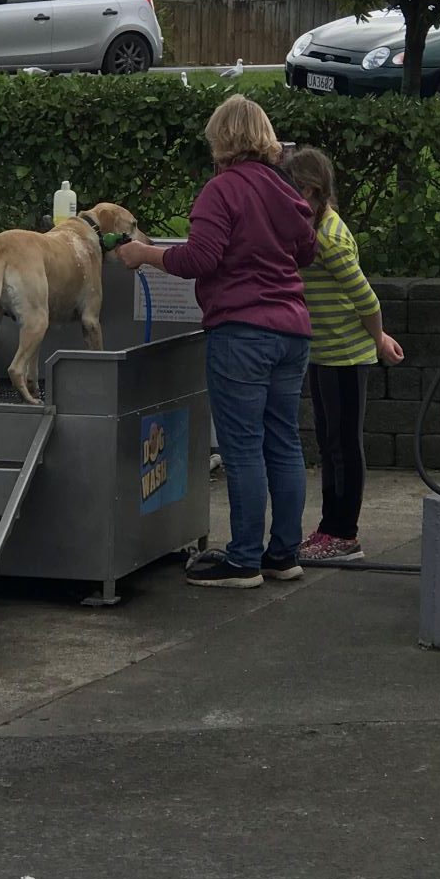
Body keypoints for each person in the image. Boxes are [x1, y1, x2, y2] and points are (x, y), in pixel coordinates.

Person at [116, 96, 316, 589]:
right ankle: (283, 554)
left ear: (222, 139)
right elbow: (306, 251)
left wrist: (143, 254)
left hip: (241, 332)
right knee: (284, 443)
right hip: (292, 332)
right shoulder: (285, 187)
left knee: (242, 447)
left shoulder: (221, 189)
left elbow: (199, 259)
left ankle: (243, 559)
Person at [285, 146, 404, 562]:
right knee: (328, 442)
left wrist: (378, 339)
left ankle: (344, 534)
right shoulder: (313, 229)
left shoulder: (329, 239)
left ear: (309, 190)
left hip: (345, 357)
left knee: (343, 445)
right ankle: (328, 528)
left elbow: (366, 299)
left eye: (290, 188)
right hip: (324, 352)